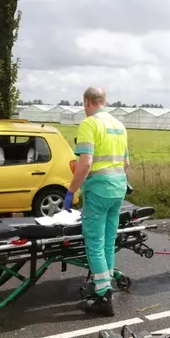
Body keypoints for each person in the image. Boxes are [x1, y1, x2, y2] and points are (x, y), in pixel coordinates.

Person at [64, 86, 129, 316]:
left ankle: (103, 296)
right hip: (118, 189)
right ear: (104, 100)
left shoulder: (89, 124)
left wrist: (71, 191)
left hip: (99, 191)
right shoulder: (119, 126)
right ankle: (105, 284)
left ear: (86, 101)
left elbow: (85, 163)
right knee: (108, 241)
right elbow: (126, 164)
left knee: (94, 242)